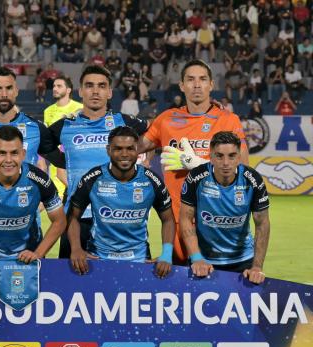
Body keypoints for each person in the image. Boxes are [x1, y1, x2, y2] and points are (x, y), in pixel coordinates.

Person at [139, 59, 248, 265]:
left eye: (202, 79)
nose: (196, 85)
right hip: (177, 220)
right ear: (181, 86)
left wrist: (200, 164)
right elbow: (133, 147)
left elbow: (244, 169)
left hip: (217, 219)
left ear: (211, 85)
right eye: (190, 79)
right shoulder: (166, 119)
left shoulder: (228, 120)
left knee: (219, 286)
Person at [46, 65, 149, 259]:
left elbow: (156, 133)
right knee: (71, 283)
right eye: (89, 85)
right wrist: (63, 161)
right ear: (80, 91)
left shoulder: (124, 121)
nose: (95, 91)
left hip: (119, 218)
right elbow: (42, 144)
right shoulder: (66, 125)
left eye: (102, 86)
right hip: (77, 219)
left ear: (109, 92)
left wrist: (144, 159)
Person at [67, 126, 175, 277]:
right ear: (108, 150)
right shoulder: (93, 178)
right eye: (118, 149)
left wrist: (167, 253)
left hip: (140, 259)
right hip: (97, 258)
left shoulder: (151, 180)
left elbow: (168, 219)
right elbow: (73, 216)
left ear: (137, 150)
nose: (124, 154)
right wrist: (76, 248)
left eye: (130, 148)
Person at [0, 126, 66, 266]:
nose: (8, 160)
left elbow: (60, 220)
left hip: (28, 256)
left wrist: (38, 253)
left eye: (14, 153)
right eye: (2, 153)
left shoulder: (39, 179)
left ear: (23, 154)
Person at [180, 131, 270, 284]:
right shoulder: (196, 177)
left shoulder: (252, 180)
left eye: (232, 156)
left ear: (239, 157)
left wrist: (257, 266)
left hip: (243, 261)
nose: (226, 163)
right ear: (211, 156)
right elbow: (185, 218)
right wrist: (196, 258)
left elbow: (262, 224)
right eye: (219, 156)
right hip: (204, 261)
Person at [0, 66, 64, 172]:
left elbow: (62, 161)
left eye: (9, 88)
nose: (4, 94)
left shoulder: (36, 128)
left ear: (16, 91)